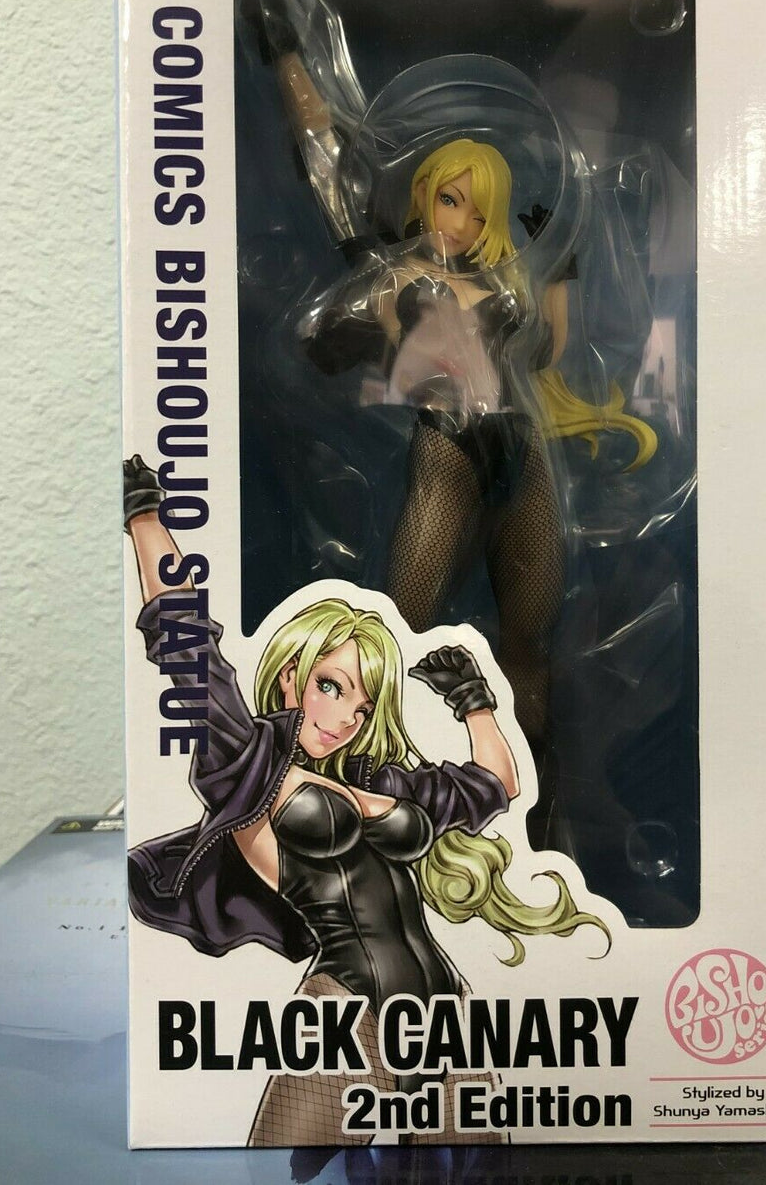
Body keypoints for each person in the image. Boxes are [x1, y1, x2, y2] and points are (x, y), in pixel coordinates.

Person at [123, 456, 605, 1146]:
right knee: (279, 1169)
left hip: (446, 1015)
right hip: (345, 1012)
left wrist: (473, 702)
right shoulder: (248, 762)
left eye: (362, 701)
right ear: (291, 675)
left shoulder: (383, 780)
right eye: (331, 685)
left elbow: (498, 783)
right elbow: (184, 643)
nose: (347, 715)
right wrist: (145, 515)